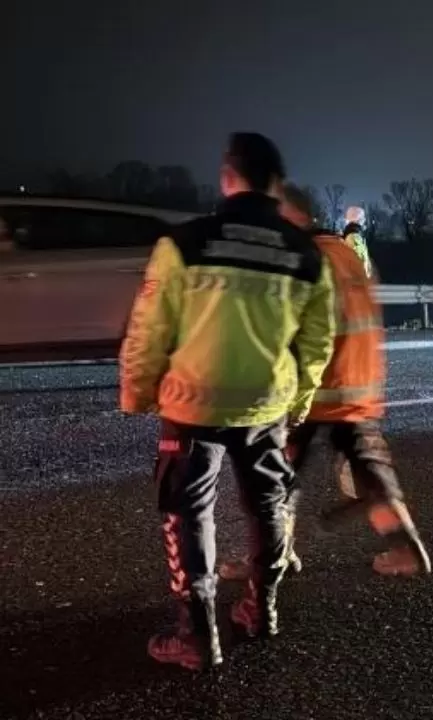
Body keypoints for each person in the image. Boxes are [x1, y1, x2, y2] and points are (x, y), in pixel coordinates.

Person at [119, 132, 337, 671]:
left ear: (227, 178)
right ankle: (261, 613)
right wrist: (302, 400)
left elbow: (148, 331)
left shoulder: (184, 244)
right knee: (268, 506)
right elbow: (317, 341)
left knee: (188, 513)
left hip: (192, 405)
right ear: (275, 186)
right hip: (266, 407)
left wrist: (138, 392)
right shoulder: (305, 254)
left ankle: (196, 636)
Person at [219, 184, 431, 582]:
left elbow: (293, 330)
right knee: (370, 473)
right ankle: (407, 550)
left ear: (289, 216)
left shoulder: (307, 259)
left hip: (318, 388)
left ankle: (271, 558)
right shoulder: (347, 253)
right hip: (356, 382)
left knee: (275, 476)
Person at [341, 205, 373, 277]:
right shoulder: (355, 237)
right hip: (357, 281)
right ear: (359, 219)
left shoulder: (350, 236)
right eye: (363, 218)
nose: (364, 220)